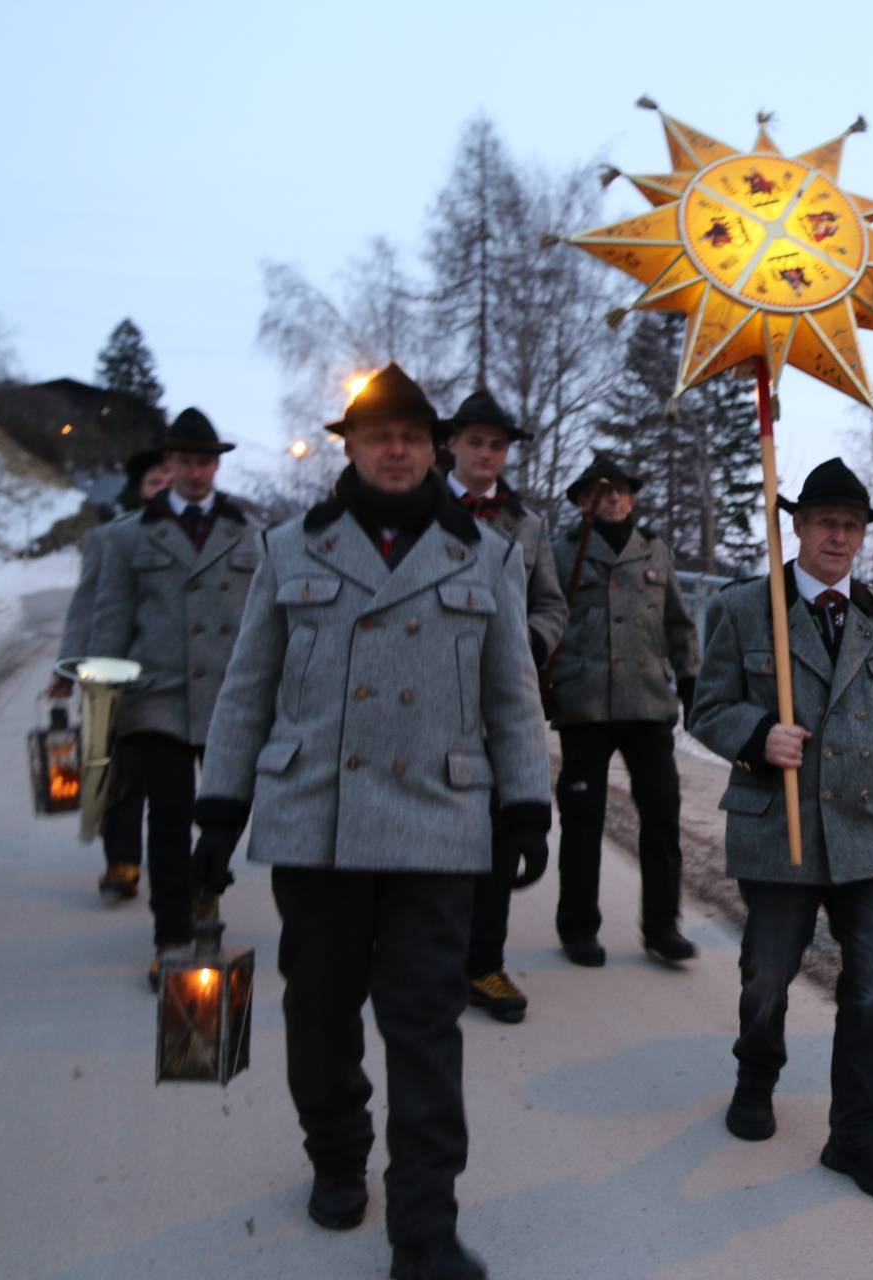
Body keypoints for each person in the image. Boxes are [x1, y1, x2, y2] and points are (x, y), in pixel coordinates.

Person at [191, 362, 549, 1280]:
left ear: (434, 449)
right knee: (318, 1012)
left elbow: (512, 698)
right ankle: (337, 1152)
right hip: (319, 823)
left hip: (438, 824)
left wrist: (524, 806)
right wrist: (219, 815)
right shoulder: (288, 550)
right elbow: (244, 696)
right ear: (348, 447)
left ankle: (426, 1224)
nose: (396, 450)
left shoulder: (489, 555)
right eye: (376, 435)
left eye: (412, 436)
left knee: (426, 1025)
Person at [687, 457, 873, 1204]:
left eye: (851, 526)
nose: (839, 536)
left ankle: (857, 1132)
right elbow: (704, 709)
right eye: (825, 522)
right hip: (779, 827)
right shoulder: (743, 608)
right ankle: (756, 1075)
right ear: (796, 527)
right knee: (767, 973)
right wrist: (760, 734)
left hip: (866, 827)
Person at [87, 412, 258, 985]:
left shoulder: (248, 532)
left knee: (228, 809)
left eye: (204, 461)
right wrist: (100, 695)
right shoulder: (127, 536)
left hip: (229, 698)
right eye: (184, 461)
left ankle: (206, 886)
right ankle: (172, 936)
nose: (195, 471)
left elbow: (267, 617)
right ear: (170, 465)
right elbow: (111, 618)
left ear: (216, 465)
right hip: (155, 695)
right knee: (168, 815)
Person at [438, 387, 568, 1024]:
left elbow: (551, 604)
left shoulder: (529, 526)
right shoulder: (417, 510)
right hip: (430, 696)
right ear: (451, 445)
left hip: (501, 703)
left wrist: (524, 643)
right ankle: (420, 958)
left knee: (496, 836)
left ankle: (483, 965)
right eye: (476, 442)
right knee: (427, 828)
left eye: (498, 445)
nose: (487, 453)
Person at [544, 454, 699, 968]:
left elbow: (678, 622)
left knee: (661, 817)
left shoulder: (655, 551)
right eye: (600, 491)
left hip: (647, 702)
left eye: (620, 491)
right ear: (582, 501)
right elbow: (544, 619)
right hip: (584, 703)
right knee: (582, 820)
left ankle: (662, 927)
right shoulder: (561, 555)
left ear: (632, 498)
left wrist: (691, 679)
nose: (612, 498)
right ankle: (578, 927)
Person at [49, 447, 169, 901]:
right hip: (114, 674)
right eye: (154, 482)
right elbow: (84, 606)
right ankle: (122, 862)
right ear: (138, 489)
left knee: (171, 783)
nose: (163, 489)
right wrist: (67, 664)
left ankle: (181, 868)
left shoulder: (197, 540)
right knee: (121, 770)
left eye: (168, 481)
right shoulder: (110, 539)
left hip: (175, 678)